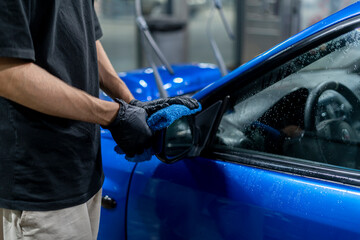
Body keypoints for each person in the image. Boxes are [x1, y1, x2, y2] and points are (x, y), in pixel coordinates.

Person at [0, 1, 198, 239]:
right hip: (41, 183)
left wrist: (129, 102)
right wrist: (113, 115)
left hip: (84, 169)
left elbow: (85, 36)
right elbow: (8, 74)